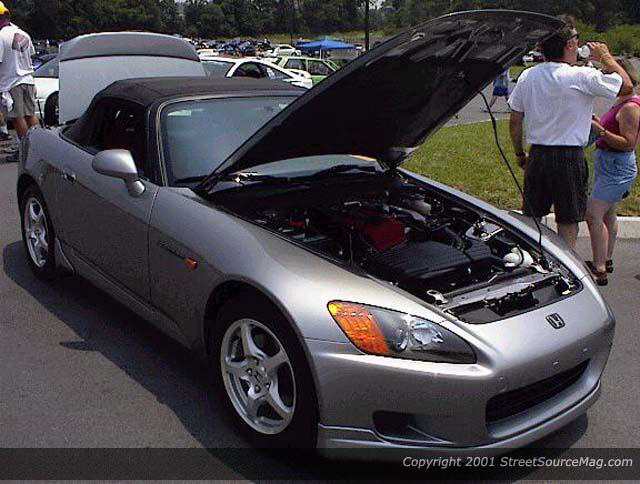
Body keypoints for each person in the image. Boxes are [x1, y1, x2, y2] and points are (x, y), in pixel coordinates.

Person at [508, 15, 633, 250]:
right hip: (568, 156)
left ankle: (533, 257)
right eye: (577, 38)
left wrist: (519, 153)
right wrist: (607, 58)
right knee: (567, 220)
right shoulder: (581, 76)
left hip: (538, 154)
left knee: (533, 216)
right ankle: (565, 261)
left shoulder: (528, 75)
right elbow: (626, 86)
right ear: (570, 44)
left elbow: (515, 120)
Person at [585, 58, 640, 286]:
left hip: (617, 167)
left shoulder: (629, 108)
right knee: (608, 213)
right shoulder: (621, 102)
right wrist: (602, 124)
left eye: (608, 75)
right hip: (609, 164)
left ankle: (599, 268)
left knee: (592, 214)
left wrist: (601, 132)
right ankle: (606, 259)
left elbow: (628, 143)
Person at [0, 1, 39, 150]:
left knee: (17, 118)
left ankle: (26, 150)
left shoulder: (1, 36)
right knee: (30, 115)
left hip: (11, 82)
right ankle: (39, 146)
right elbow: (31, 55)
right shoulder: (23, 34)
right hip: (28, 79)